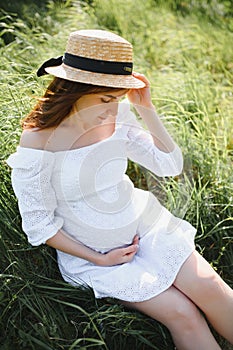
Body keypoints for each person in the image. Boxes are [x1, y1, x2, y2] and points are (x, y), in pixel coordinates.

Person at [6, 29, 233, 350]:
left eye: (117, 100)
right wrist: (99, 259)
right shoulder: (39, 142)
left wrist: (146, 109)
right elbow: (39, 225)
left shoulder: (119, 116)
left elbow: (169, 166)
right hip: (94, 255)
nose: (112, 111)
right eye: (103, 100)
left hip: (143, 222)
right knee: (183, 313)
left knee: (209, 286)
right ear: (75, 89)